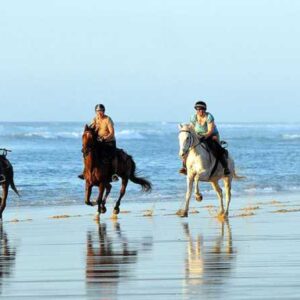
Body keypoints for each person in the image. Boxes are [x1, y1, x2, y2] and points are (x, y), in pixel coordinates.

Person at [179, 100, 230, 176]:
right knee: (187, 147)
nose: (200, 111)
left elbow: (210, 130)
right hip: (198, 134)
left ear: (205, 110)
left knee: (218, 149)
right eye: (198, 109)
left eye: (202, 109)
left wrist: (205, 136)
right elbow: (192, 127)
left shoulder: (209, 117)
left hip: (212, 135)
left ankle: (226, 168)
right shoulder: (193, 117)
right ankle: (184, 167)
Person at [79, 104, 119, 182]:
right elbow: (90, 129)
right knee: (87, 153)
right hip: (98, 141)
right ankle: (85, 172)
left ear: (104, 111)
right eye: (97, 111)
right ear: (95, 112)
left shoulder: (108, 119)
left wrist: (104, 138)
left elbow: (112, 133)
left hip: (109, 141)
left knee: (112, 155)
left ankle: (113, 174)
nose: (99, 112)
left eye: (101, 111)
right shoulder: (95, 119)